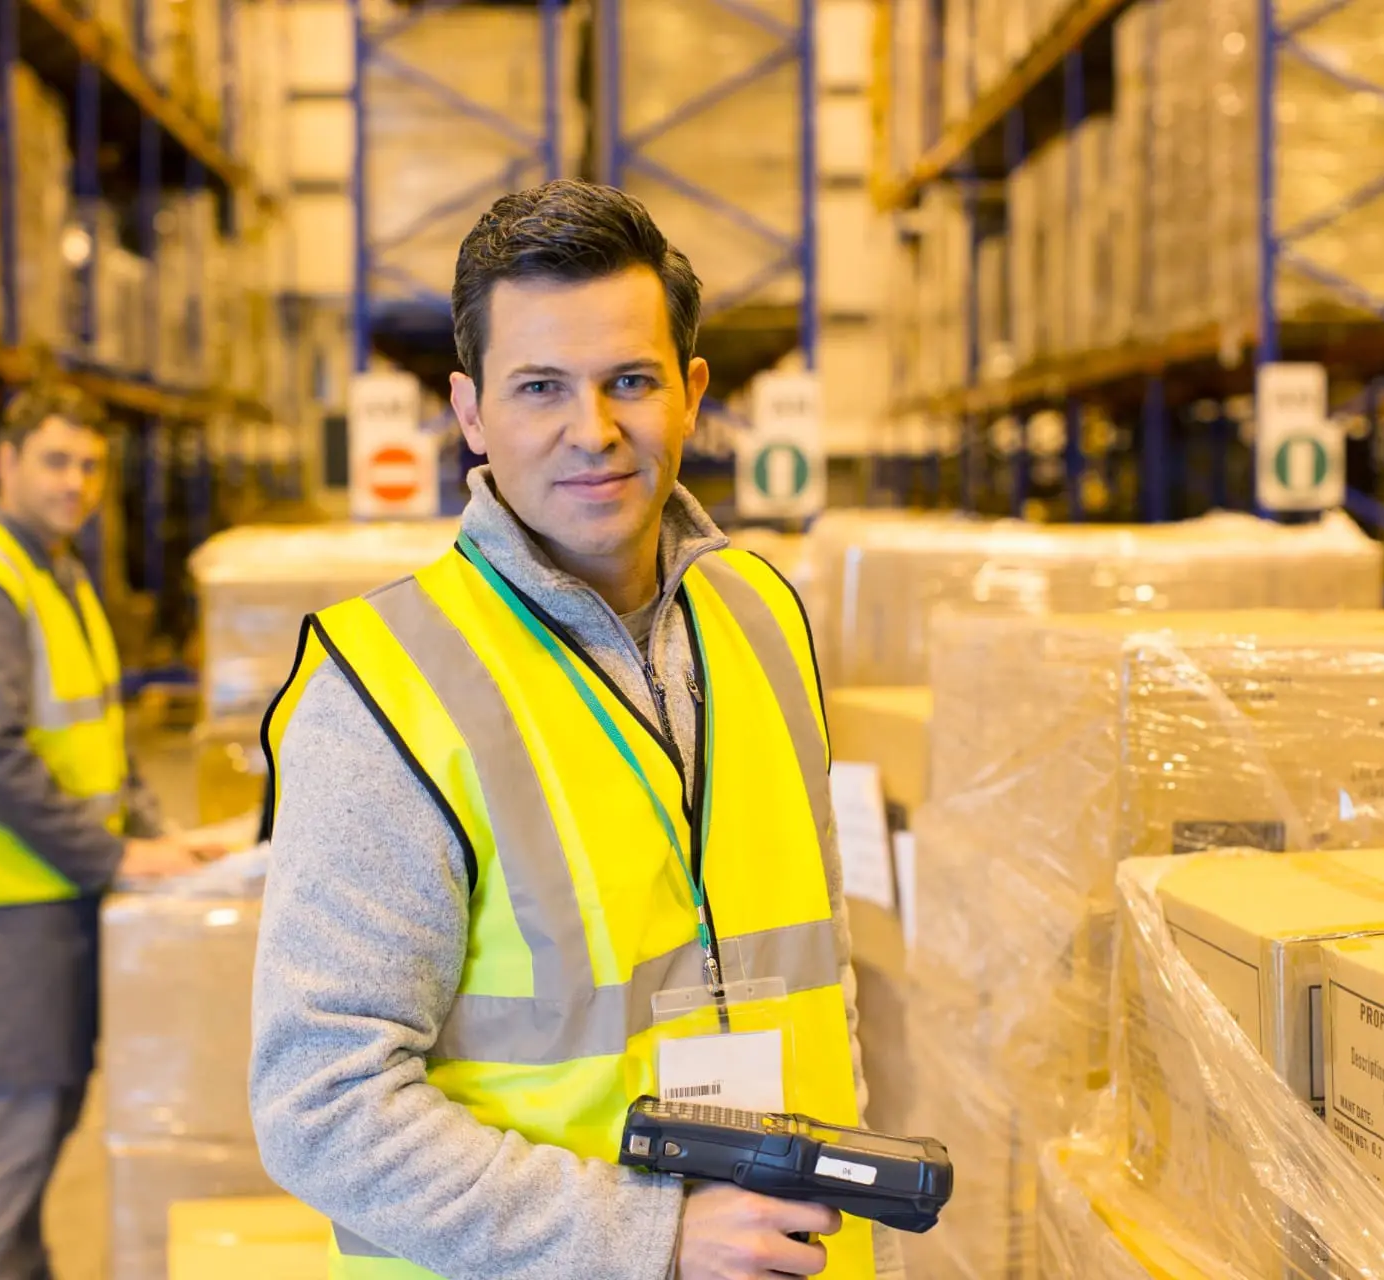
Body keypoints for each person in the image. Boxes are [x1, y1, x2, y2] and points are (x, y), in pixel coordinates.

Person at [250, 179, 903, 1280]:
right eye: (540, 386)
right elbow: (321, 1104)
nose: (592, 431)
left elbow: (814, 956)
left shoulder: (763, 618)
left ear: (692, 393)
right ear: (470, 412)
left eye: (630, 381)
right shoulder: (387, 691)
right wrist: (650, 1235)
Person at [0, 383, 219, 1279]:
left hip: (54, 900)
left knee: (41, 1123)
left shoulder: (59, 570)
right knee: (7, 1139)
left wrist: (164, 838)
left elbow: (96, 743)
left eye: (89, 467)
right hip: (5, 913)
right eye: (54, 461)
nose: (74, 483)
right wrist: (118, 855)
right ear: (5, 464)